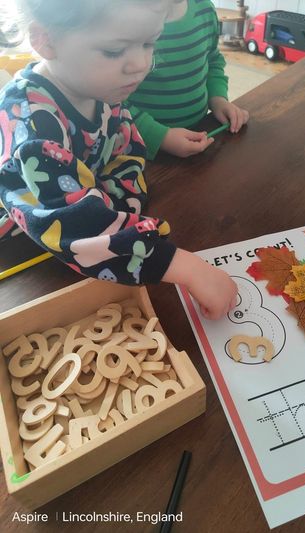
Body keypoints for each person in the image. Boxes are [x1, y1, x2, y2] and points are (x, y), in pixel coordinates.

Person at [0, 0, 237, 320]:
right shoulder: (32, 123)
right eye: (114, 51)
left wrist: (118, 209)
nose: (141, 64)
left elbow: (127, 149)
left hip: (88, 237)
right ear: (46, 40)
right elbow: (72, 225)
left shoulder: (100, 86)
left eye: (149, 43)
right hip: (23, 251)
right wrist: (183, 266)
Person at [124, 0, 249, 159]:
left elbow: (212, 60)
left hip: (200, 135)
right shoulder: (124, 17)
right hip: (139, 149)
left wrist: (218, 98)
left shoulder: (204, 9)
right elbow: (109, 99)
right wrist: (160, 137)